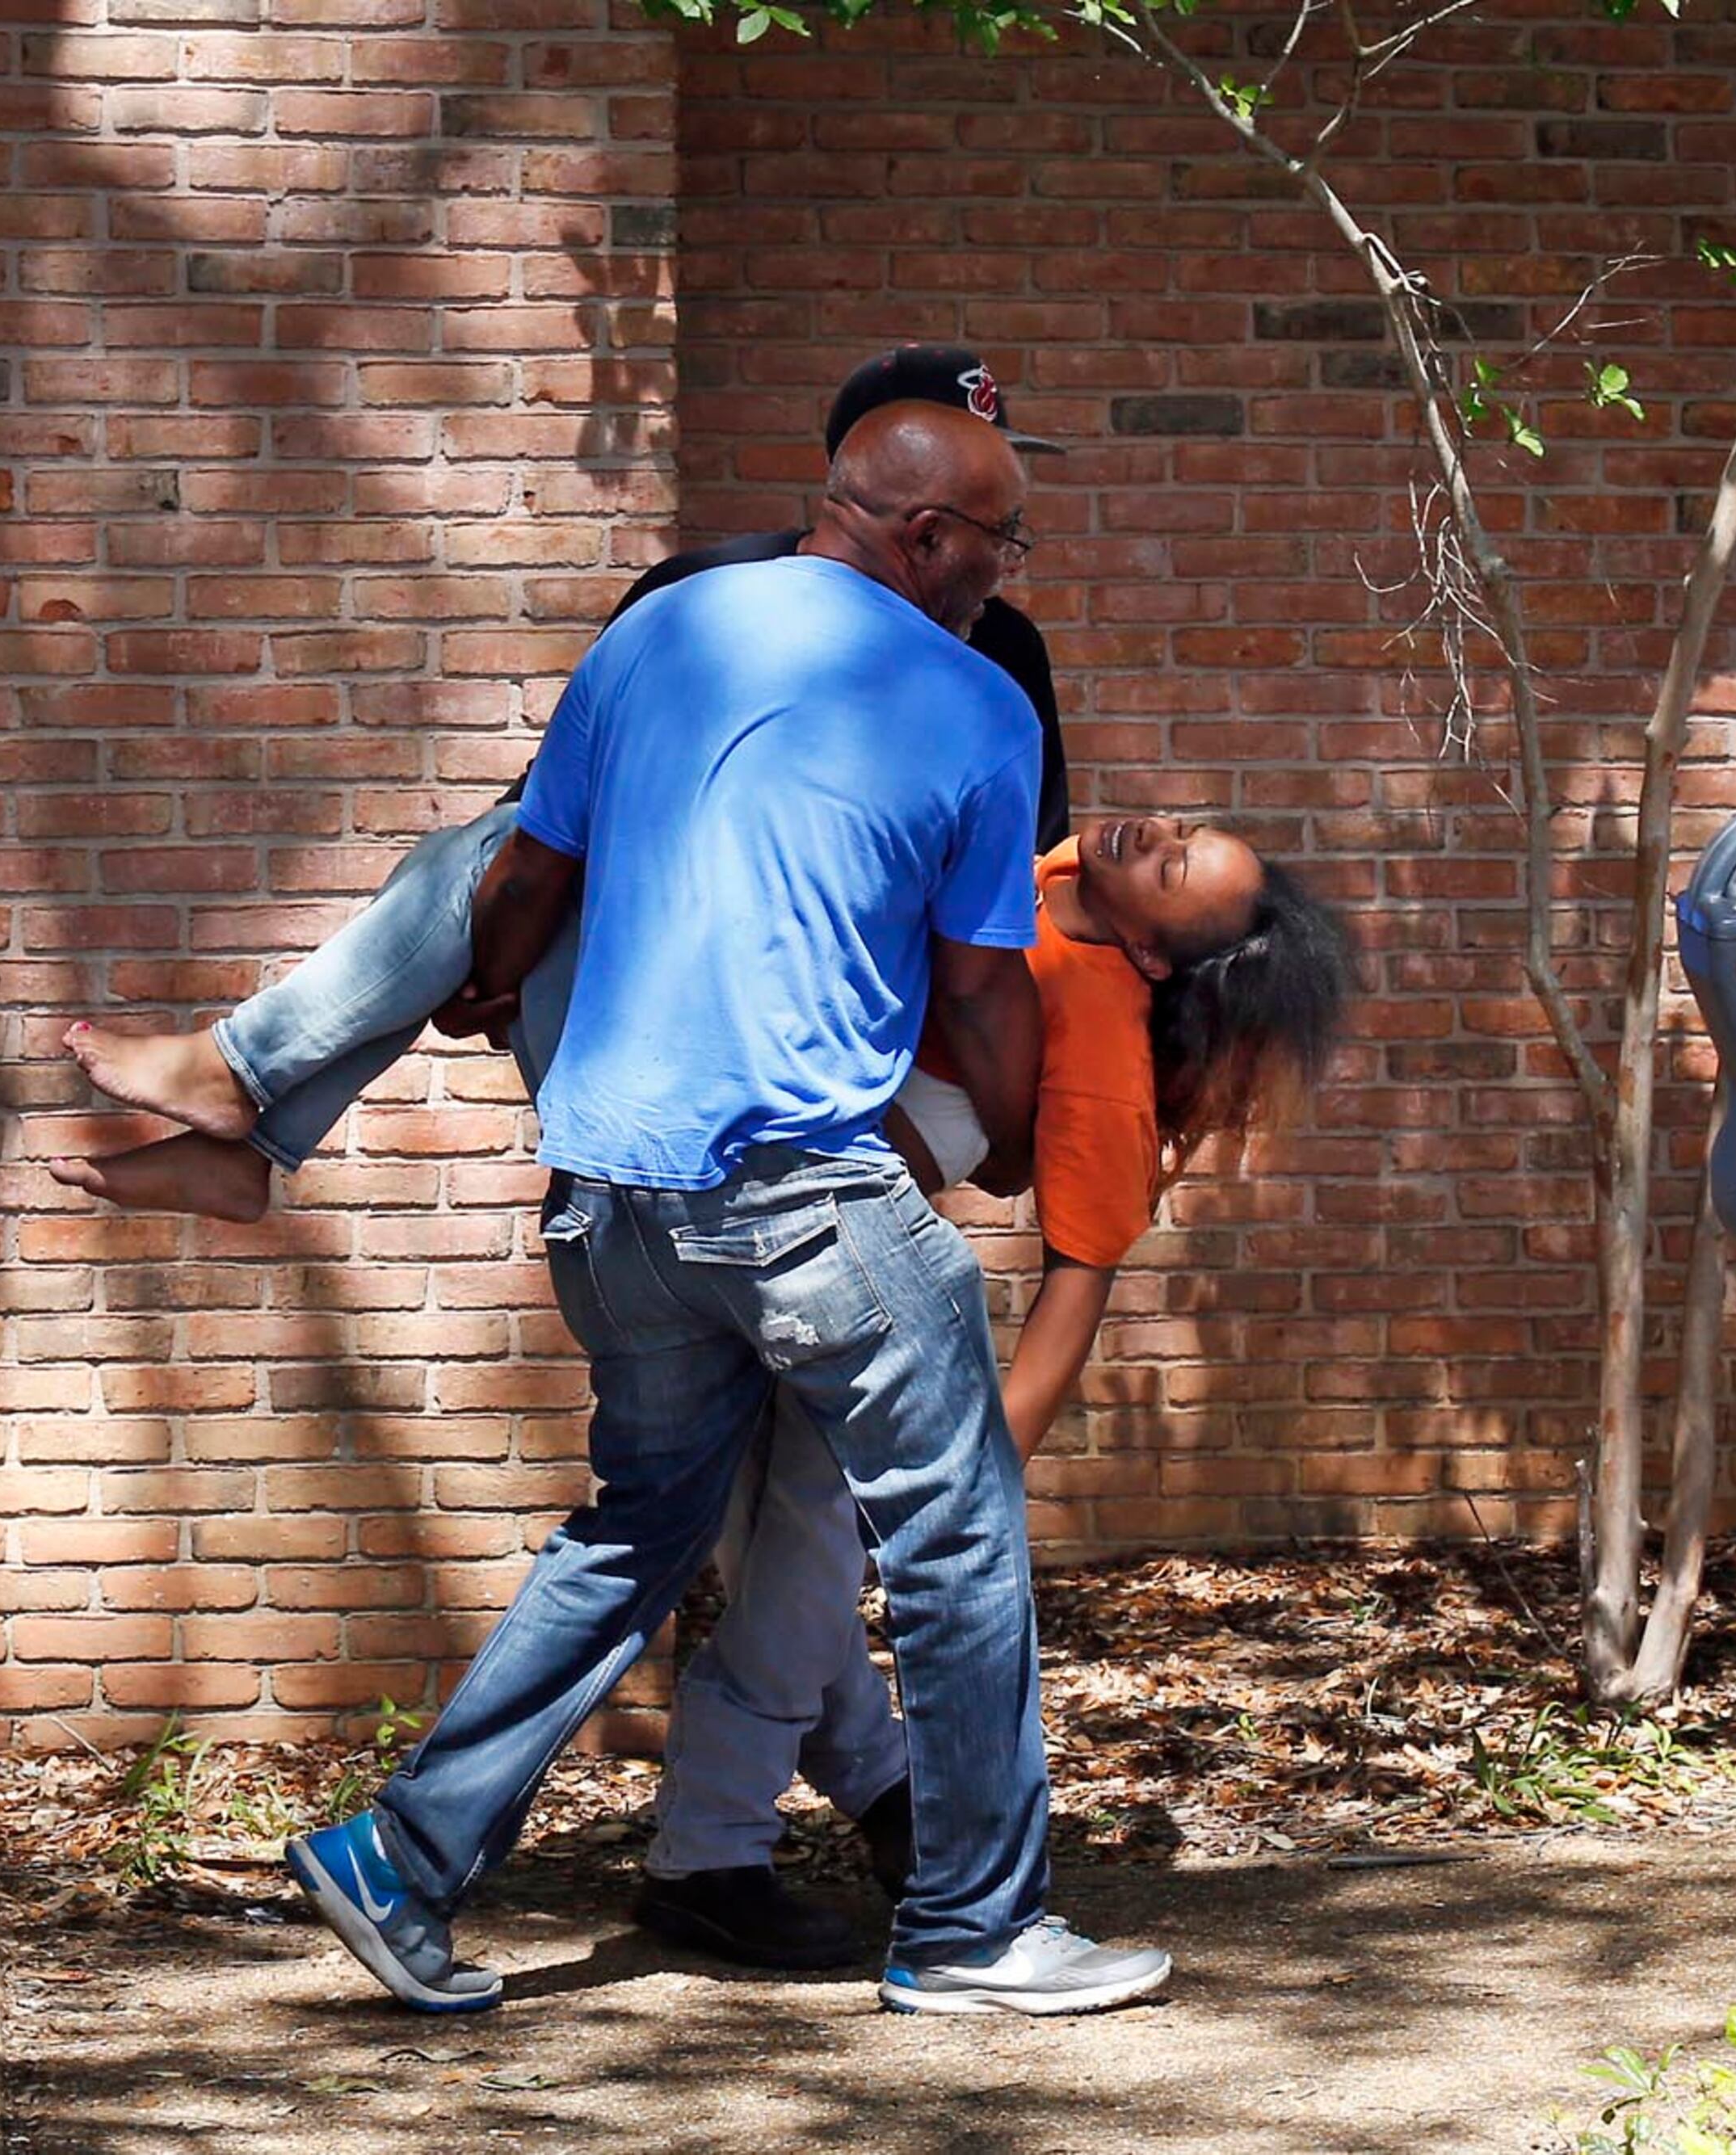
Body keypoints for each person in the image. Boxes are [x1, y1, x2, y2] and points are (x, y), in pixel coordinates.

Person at [278, 401, 1173, 2018]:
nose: (1004, 573)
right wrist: (1025, 1135)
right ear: (922, 539)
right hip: (806, 1192)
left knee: (637, 1528)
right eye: (997, 543)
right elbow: (980, 994)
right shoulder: (975, 703)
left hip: (610, 1198)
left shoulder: (662, 627)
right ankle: (975, 1927)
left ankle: (403, 1856)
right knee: (959, 1535)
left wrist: (484, 979)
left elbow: (534, 875)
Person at [50, 344, 1071, 1222]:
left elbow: (1003, 918)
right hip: (709, 1038)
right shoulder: (702, 598)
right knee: (500, 861)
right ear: (900, 490)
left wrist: (484, 966)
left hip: (818, 1058)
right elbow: (556, 837)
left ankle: (247, 1097)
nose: (997, 550)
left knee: (490, 859)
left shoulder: (987, 645)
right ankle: (247, 1113)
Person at [633, 817, 1356, 1968]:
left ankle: (709, 1854)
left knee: (802, 1559)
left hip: (843, 1281)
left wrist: (975, 1480)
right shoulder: (1058, 870)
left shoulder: (1107, 1041)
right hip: (725, 1225)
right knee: (775, 1552)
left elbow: (1079, 1284)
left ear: (1157, 957)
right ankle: (887, 1797)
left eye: (1172, 867)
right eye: (1181, 829)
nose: (1154, 834)